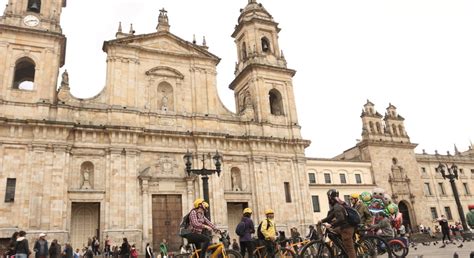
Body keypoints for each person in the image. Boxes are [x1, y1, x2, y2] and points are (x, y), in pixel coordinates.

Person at [320, 189, 356, 258]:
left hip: (347, 228)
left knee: (350, 249)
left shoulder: (337, 206)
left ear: (330, 197)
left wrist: (331, 224)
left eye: (328, 197)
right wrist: (321, 221)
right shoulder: (338, 204)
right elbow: (331, 216)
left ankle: (346, 250)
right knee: (331, 233)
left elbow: (341, 219)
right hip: (343, 227)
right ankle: (342, 247)